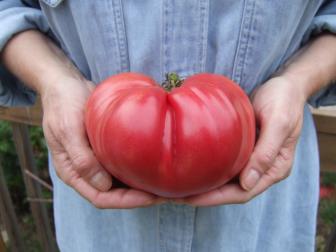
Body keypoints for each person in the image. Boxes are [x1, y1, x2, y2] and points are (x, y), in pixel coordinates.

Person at [1, 1, 336, 251]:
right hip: (101, 230)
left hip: (263, 223)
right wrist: (53, 79)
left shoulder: (122, 103)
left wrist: (298, 81)